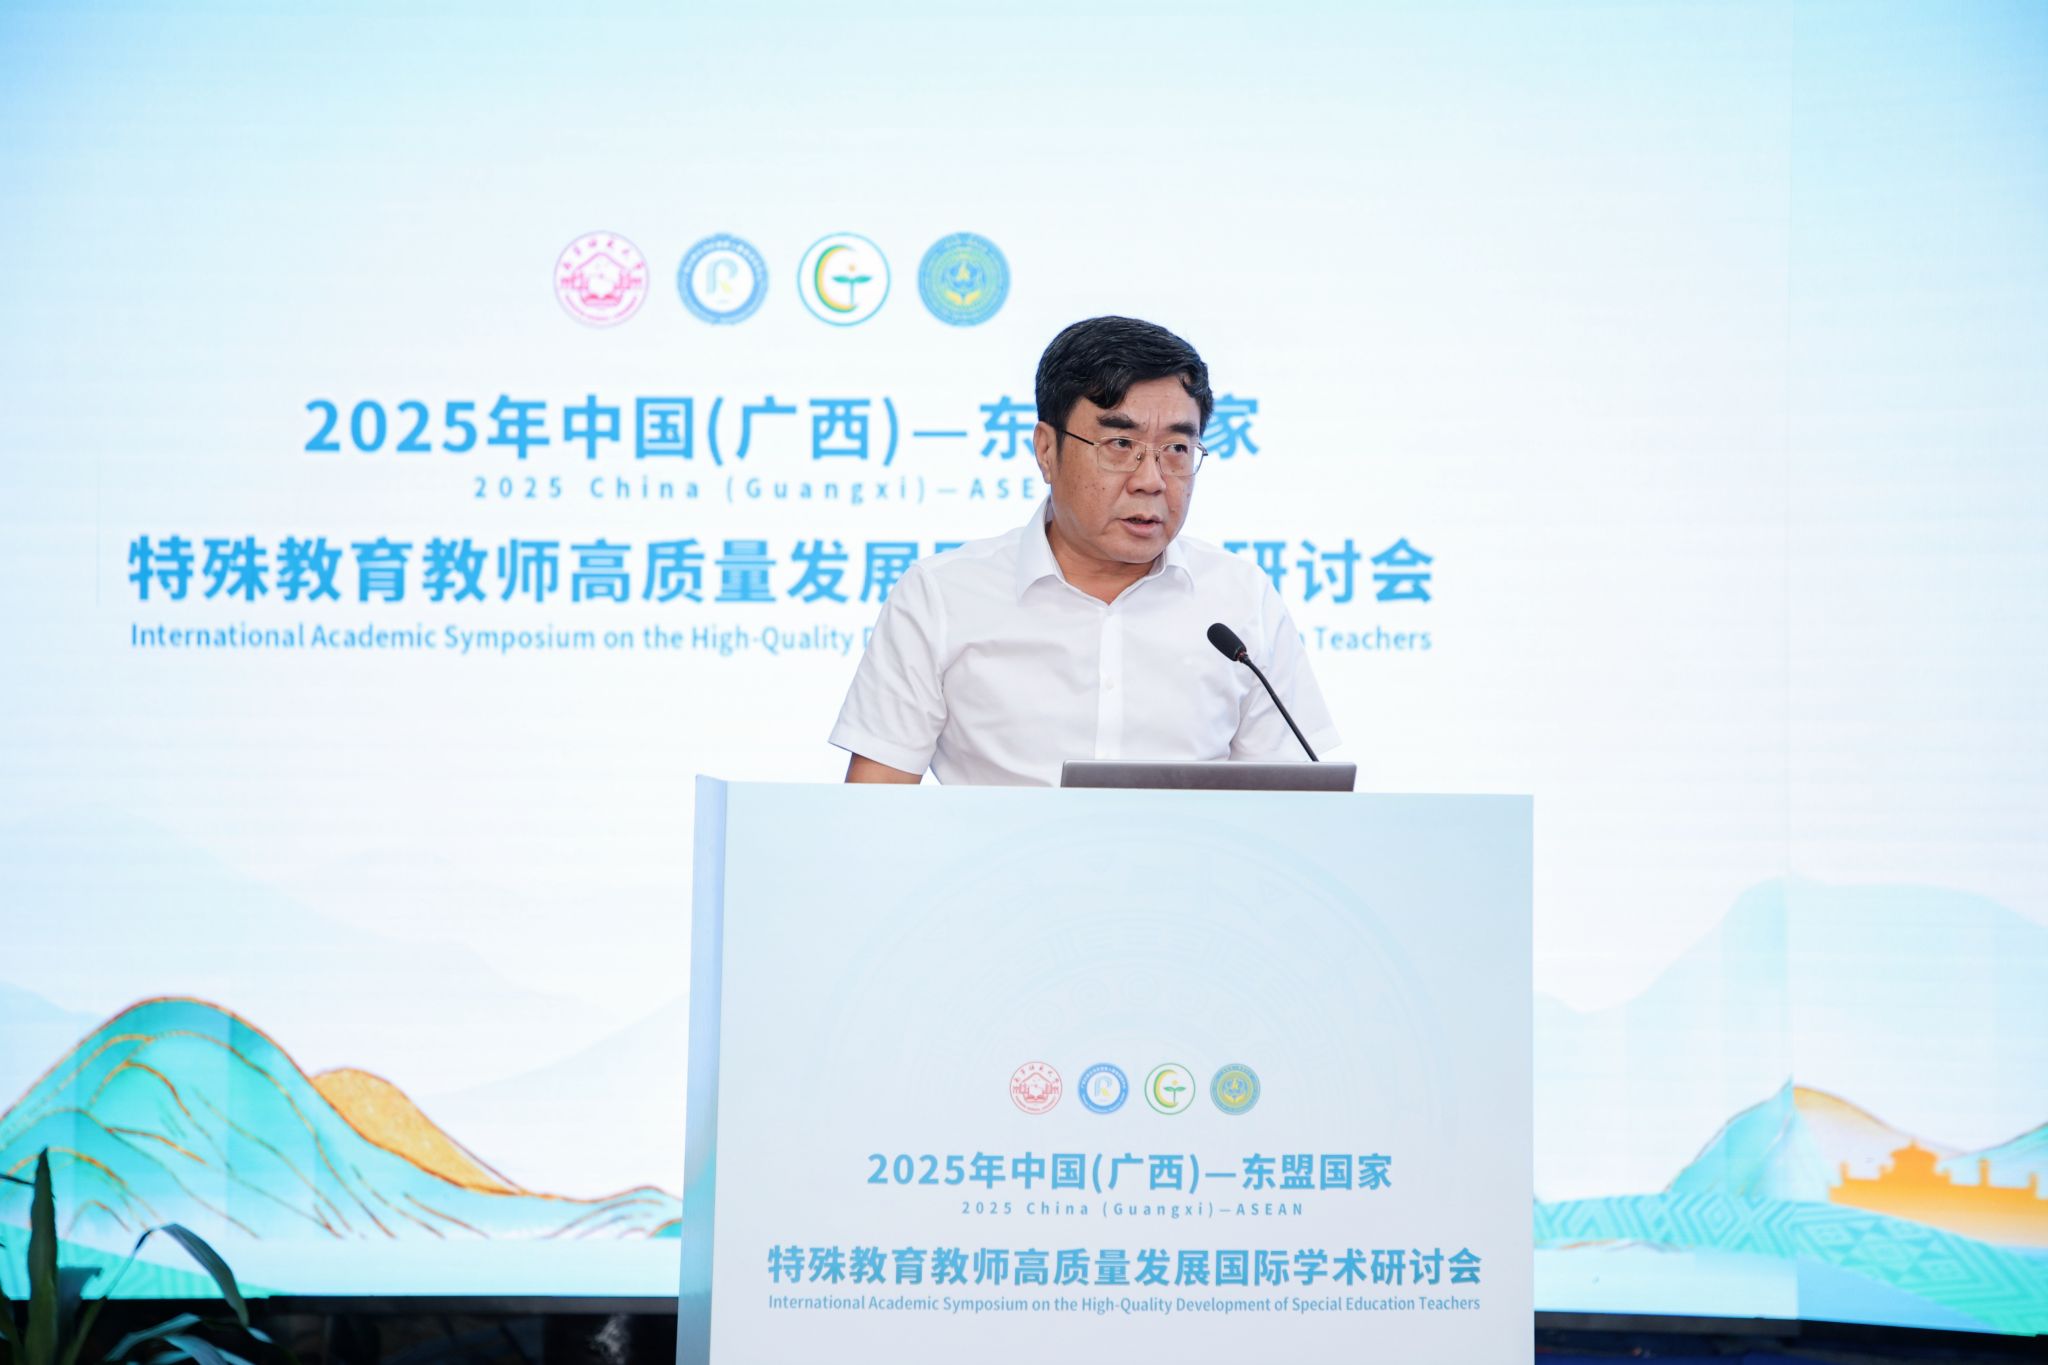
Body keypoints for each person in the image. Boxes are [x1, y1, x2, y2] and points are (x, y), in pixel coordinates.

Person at [832, 315, 1337, 785]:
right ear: (1046, 450)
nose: (1151, 480)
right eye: (1120, 446)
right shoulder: (942, 596)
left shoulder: (1241, 600)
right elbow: (876, 811)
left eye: (1177, 450)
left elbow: (1290, 813)